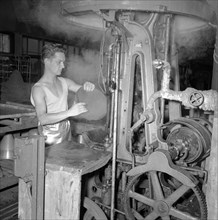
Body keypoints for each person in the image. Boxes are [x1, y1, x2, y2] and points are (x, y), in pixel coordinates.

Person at [30, 43, 95, 145]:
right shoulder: (39, 89)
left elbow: (82, 90)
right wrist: (69, 112)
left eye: (63, 62)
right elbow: (42, 119)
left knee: (67, 157)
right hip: (48, 137)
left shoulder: (65, 82)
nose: (63, 66)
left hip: (65, 130)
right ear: (47, 61)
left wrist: (88, 86)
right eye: (59, 62)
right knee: (52, 161)